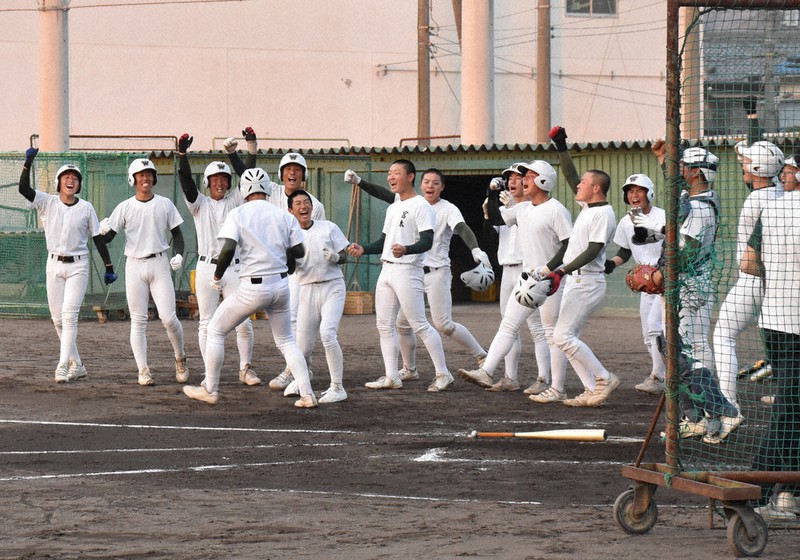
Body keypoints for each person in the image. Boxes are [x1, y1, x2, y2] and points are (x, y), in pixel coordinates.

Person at [182, 168, 315, 407]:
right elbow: (299, 252)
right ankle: (307, 394)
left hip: (252, 287)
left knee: (214, 329)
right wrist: (287, 263)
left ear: (243, 190)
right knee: (286, 341)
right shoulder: (282, 215)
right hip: (281, 285)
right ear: (266, 188)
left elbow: (227, 250)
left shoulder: (238, 213)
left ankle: (210, 388)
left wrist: (216, 275)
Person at [343, 167, 490, 380]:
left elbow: (462, 228)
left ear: (442, 187)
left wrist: (475, 249)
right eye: (427, 182)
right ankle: (410, 370)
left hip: (436, 272)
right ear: (419, 184)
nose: (430, 186)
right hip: (412, 272)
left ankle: (481, 355)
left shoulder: (447, 208)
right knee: (402, 324)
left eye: (436, 183)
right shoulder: (408, 204)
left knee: (443, 324)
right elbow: (385, 194)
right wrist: (360, 182)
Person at [635, 142, 735, 439]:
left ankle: (721, 413)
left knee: (688, 352)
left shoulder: (702, 207)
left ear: (695, 173)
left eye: (683, 168)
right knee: (671, 347)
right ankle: (697, 416)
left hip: (690, 286)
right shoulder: (691, 196)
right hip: (684, 285)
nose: (678, 172)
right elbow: (676, 190)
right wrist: (663, 159)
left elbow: (688, 252)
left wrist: (658, 275)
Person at [458, 160, 573, 403]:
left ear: (543, 180)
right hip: (528, 278)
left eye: (528, 176)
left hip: (550, 280)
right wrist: (491, 193)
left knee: (551, 333)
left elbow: (569, 244)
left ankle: (556, 386)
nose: (522, 180)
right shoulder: (523, 209)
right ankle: (487, 371)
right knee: (508, 325)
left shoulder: (556, 209)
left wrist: (549, 270)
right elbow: (497, 220)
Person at [345, 159, 453, 392]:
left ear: (410, 176)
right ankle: (391, 376)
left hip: (408, 270)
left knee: (419, 324)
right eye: (389, 173)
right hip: (387, 269)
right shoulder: (394, 206)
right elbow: (385, 241)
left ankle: (444, 374)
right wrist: (364, 248)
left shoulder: (421, 205)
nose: (390, 177)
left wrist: (407, 249)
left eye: (396, 173)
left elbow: (427, 240)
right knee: (384, 325)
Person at [18, 148, 117, 383]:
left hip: (78, 267)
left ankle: (62, 365)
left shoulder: (86, 208)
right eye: (66, 177)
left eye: (74, 178)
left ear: (78, 184)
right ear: (59, 183)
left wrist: (109, 266)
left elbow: (96, 238)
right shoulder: (47, 202)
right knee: (58, 319)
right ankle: (78, 364)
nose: (70, 180)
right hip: (53, 265)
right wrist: (28, 163)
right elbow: (23, 189)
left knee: (69, 316)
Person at [539, 125, 620, 407]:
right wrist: (561, 147)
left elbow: (594, 250)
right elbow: (571, 175)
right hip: (577, 280)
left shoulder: (604, 214)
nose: (578, 185)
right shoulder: (589, 208)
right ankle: (591, 388)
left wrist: (561, 269)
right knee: (566, 338)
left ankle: (604, 378)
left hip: (588, 281)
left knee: (562, 335)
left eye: (585, 182)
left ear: (596, 188)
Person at [709, 141, 784, 442]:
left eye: (747, 161)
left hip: (753, 279)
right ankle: (785, 394)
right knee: (780, 340)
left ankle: (730, 408)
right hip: (778, 283)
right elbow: (764, 164)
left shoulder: (758, 200)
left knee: (722, 335)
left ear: (757, 168)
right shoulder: (780, 191)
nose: (742, 164)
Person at [741, 158, 800, 520]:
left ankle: (769, 489)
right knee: (789, 410)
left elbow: (748, 263)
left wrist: (779, 273)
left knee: (789, 403)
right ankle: (772, 491)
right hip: (797, 323)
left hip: (773, 320)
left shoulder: (774, 208)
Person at [176, 133, 260, 387]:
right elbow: (187, 183)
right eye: (215, 179)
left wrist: (241, 152)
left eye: (224, 179)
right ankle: (209, 372)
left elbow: (249, 177)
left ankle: (245, 368)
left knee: (243, 322)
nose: (220, 183)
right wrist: (182, 155)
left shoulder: (236, 200)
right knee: (206, 322)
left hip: (235, 268)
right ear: (207, 182)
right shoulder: (199, 204)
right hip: (205, 267)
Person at [99, 158, 188, 386]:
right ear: (133, 179)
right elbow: (108, 237)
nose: (145, 178)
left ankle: (180, 358)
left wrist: (179, 254)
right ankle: (143, 369)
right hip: (135, 265)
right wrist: (101, 229)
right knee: (138, 320)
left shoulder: (165, 204)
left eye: (149, 174)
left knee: (168, 318)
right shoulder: (125, 206)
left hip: (159, 262)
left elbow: (178, 235)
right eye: (141, 174)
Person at [480, 163, 550, 393]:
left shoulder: (532, 207)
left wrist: (510, 208)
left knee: (537, 328)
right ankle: (510, 376)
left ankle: (544, 378)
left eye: (518, 177)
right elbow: (490, 237)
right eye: (509, 177)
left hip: (528, 269)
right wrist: (488, 215)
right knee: (508, 325)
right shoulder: (508, 208)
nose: (512, 181)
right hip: (507, 268)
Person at [286, 189, 350, 403]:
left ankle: (337, 387)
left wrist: (335, 257)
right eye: (298, 203)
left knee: (328, 334)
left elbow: (345, 256)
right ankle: (301, 381)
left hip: (332, 287)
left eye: (307, 202)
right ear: (290, 210)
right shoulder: (289, 236)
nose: (303, 206)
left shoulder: (328, 227)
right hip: (307, 290)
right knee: (302, 345)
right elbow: (288, 268)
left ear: (312, 207)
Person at [605, 173, 667, 395]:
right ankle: (660, 373)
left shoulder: (663, 216)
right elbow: (625, 250)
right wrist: (612, 264)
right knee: (648, 333)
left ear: (649, 193)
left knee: (656, 328)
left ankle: (661, 376)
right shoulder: (626, 221)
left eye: (638, 190)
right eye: (630, 191)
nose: (634, 195)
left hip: (664, 280)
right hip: (645, 283)